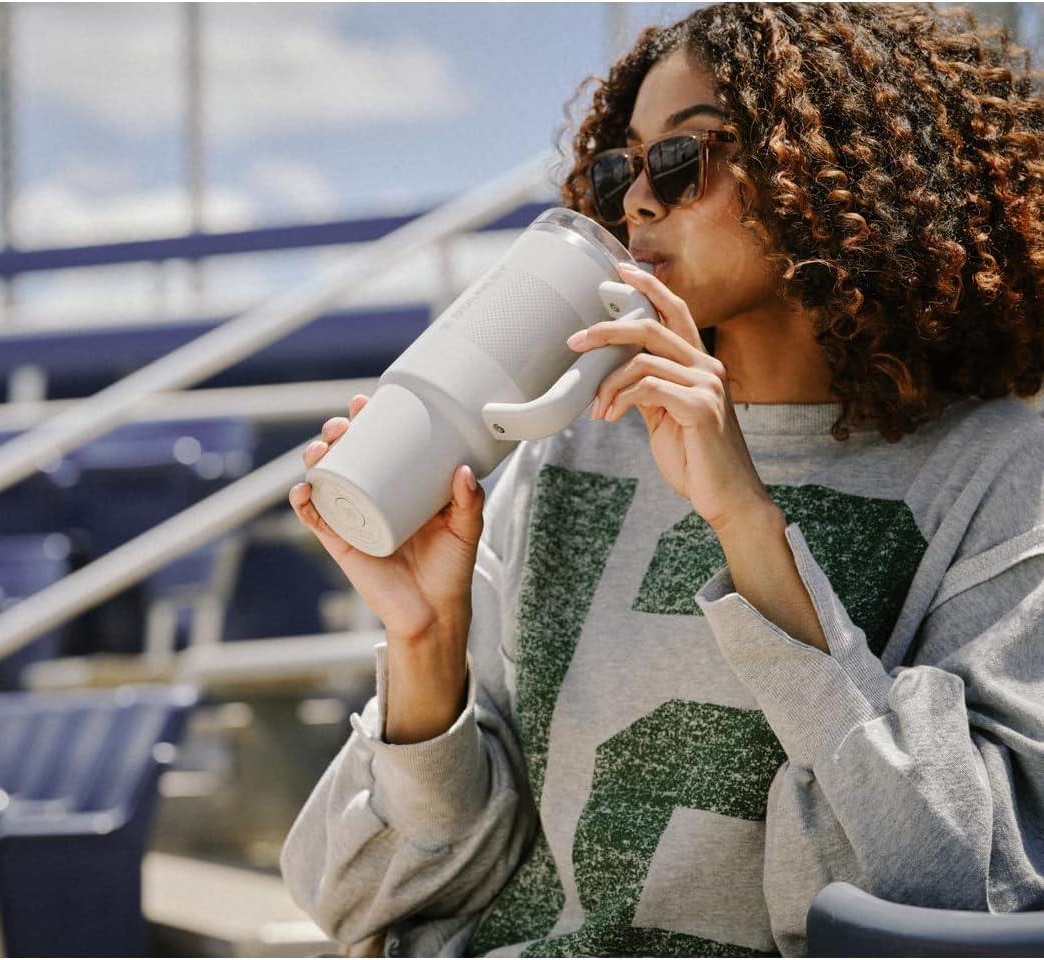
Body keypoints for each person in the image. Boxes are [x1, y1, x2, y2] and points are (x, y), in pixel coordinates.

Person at [281, 3, 1044, 955]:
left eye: (684, 158)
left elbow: (966, 887)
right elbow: (365, 903)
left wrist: (746, 524)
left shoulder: (1001, 475)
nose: (638, 201)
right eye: (621, 167)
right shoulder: (567, 445)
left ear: (833, 162)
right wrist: (425, 648)